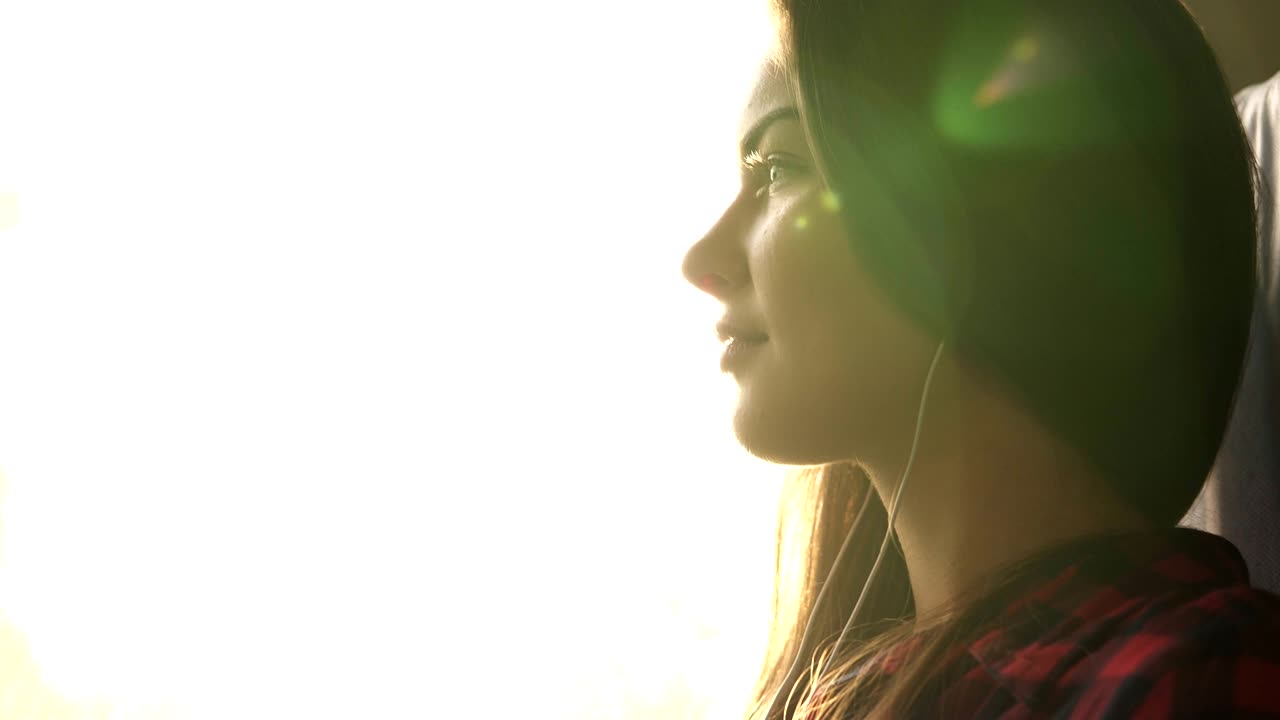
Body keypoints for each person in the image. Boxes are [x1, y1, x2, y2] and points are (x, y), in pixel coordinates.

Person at [681, 0, 1280, 717]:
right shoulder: (852, 686)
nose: (701, 260)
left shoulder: (1198, 681)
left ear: (978, 223)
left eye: (778, 167)